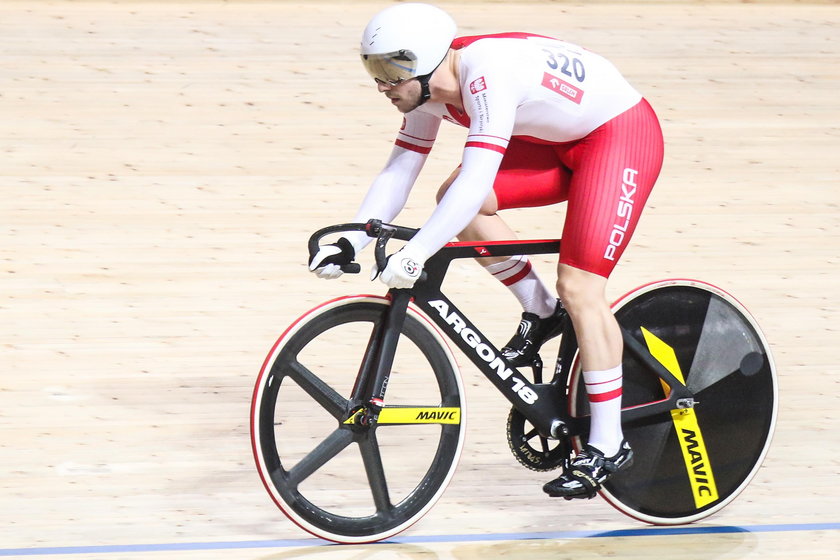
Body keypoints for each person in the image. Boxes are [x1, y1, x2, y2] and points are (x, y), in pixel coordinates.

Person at [309, 2, 664, 499]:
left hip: (618, 136)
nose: (382, 85)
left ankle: (607, 443)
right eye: (374, 69)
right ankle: (541, 310)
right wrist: (355, 236)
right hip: (554, 140)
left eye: (391, 70)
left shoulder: (486, 72)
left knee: (580, 285)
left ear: (428, 60)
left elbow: (477, 179)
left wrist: (418, 251)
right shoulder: (427, 92)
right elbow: (401, 169)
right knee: (455, 205)